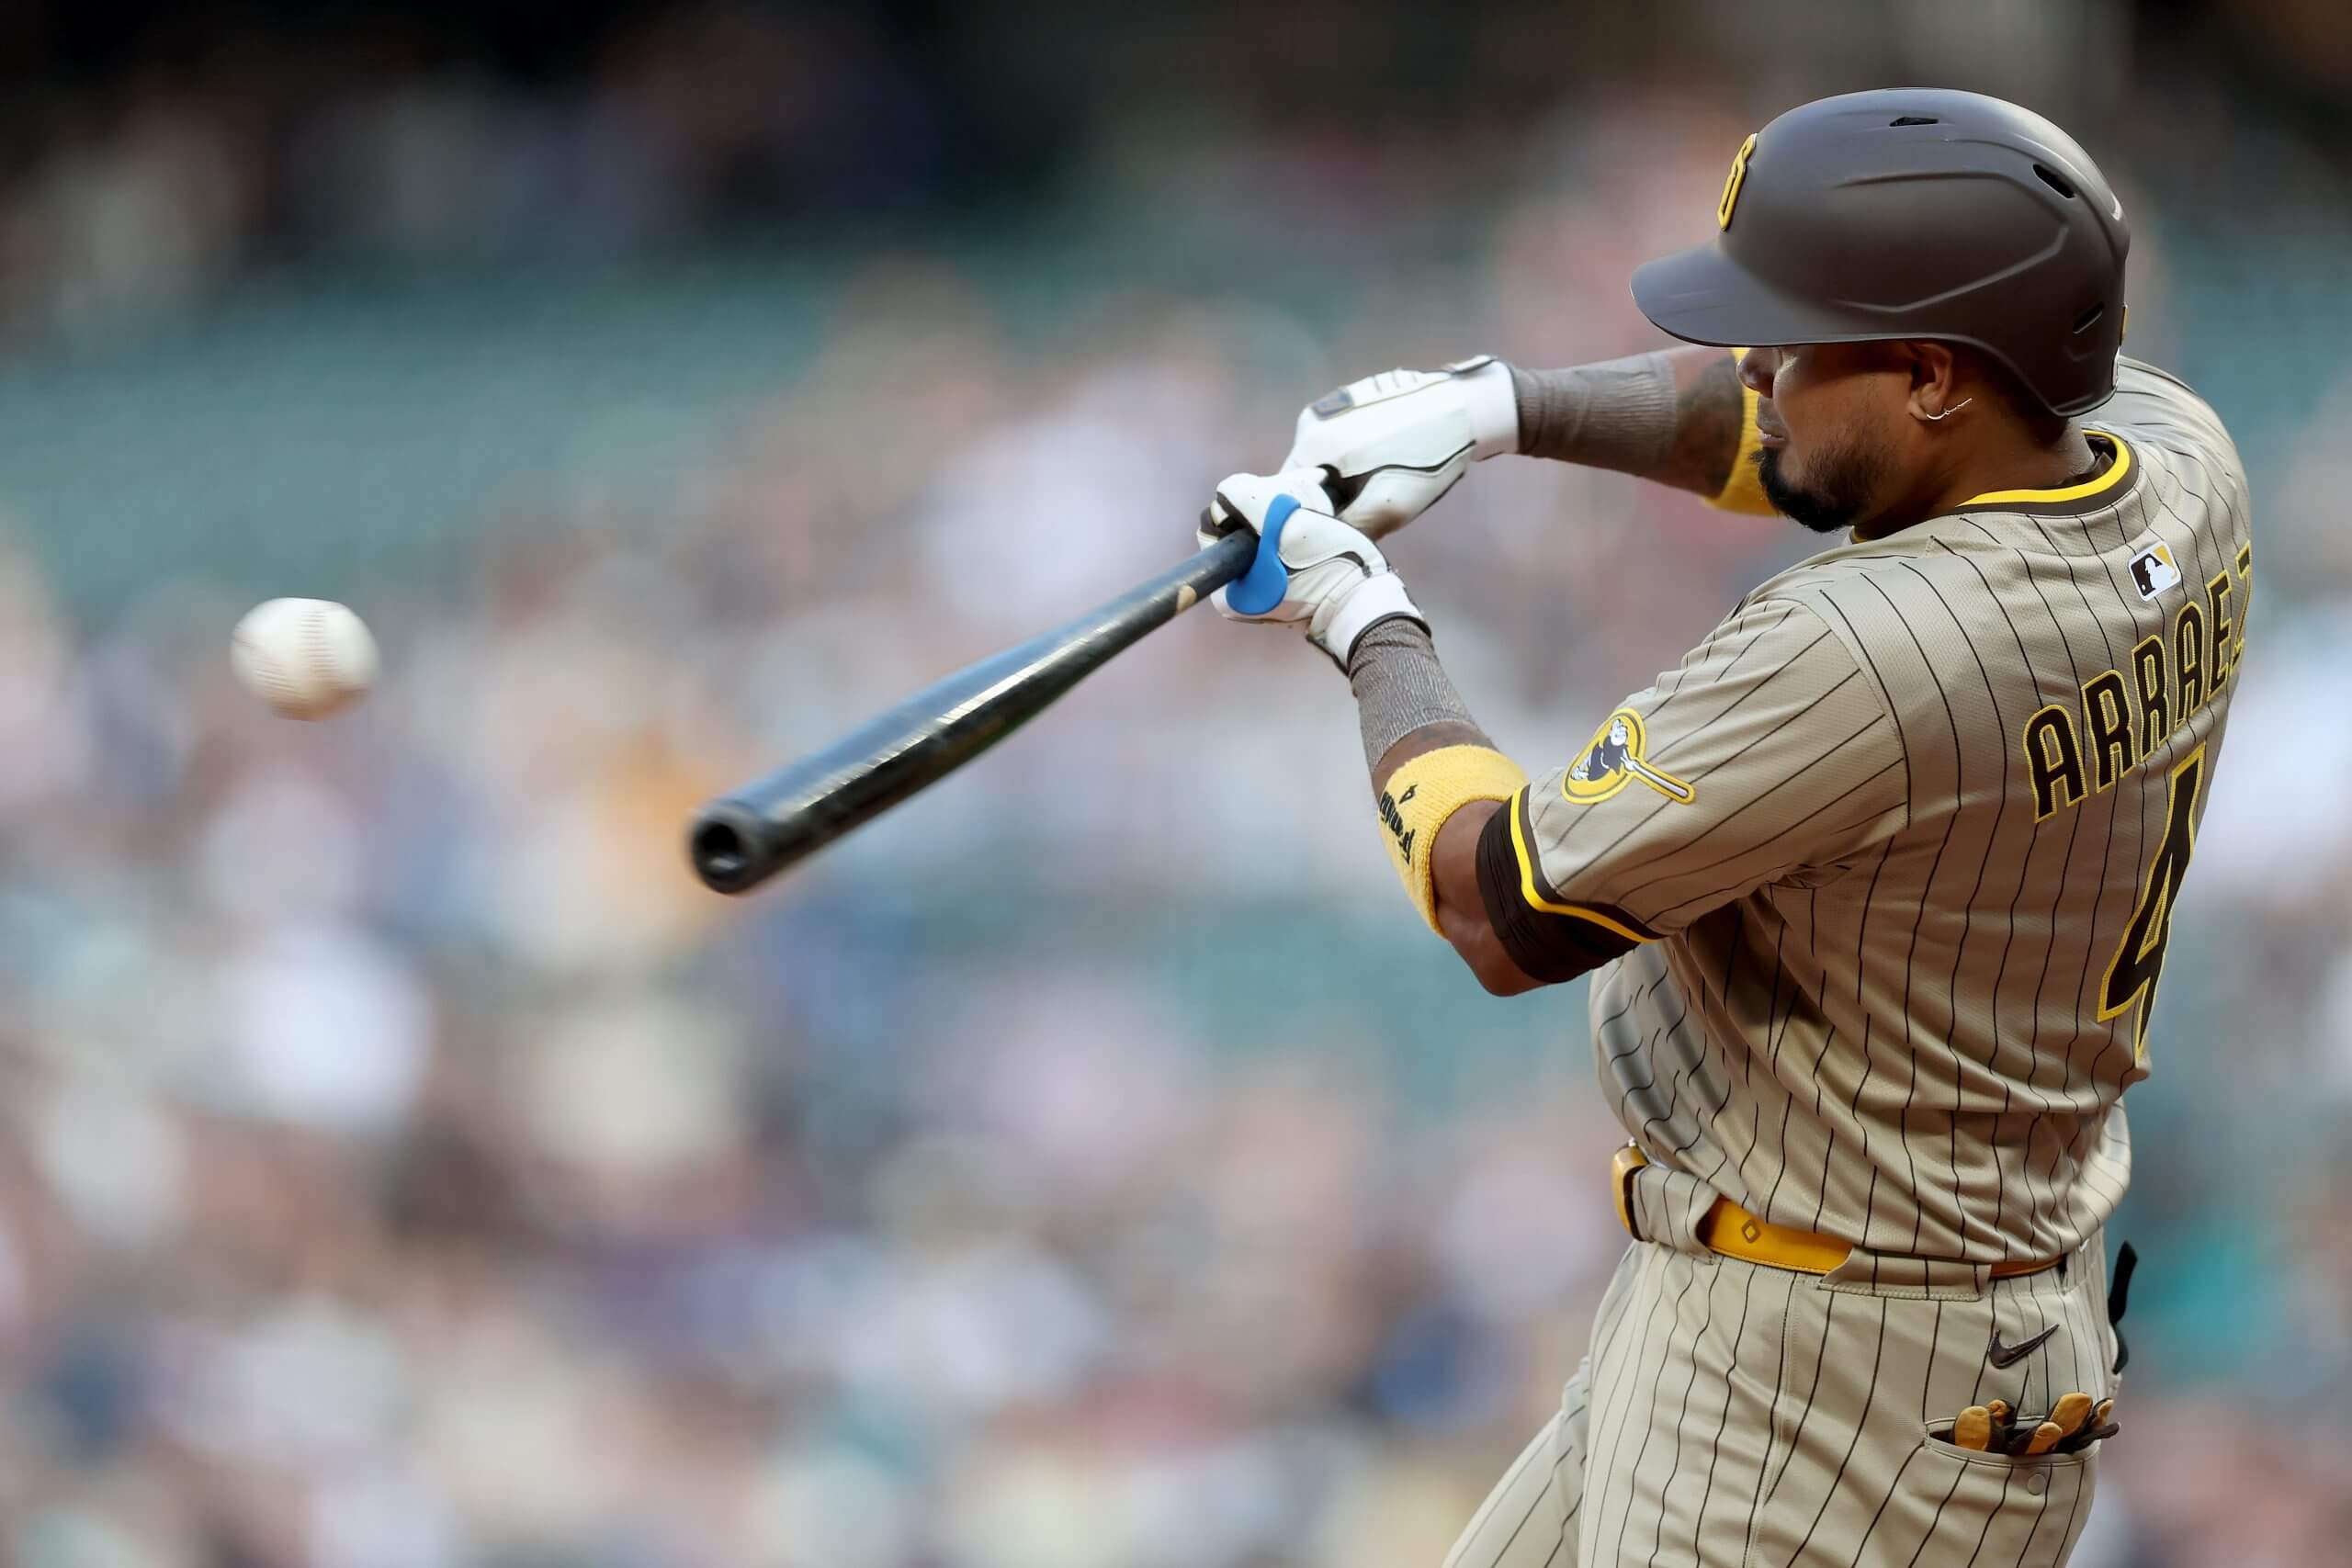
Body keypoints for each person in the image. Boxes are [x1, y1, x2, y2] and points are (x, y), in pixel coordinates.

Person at [1199, 89, 2252, 1566]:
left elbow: (1500, 908)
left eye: (1796, 331)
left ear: (1940, 374)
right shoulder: (2177, 454)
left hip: (1833, 1395)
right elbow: (1799, 448)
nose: (1751, 360)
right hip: (1869, 1308)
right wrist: (1507, 410)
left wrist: (1363, 616)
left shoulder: (1875, 648)